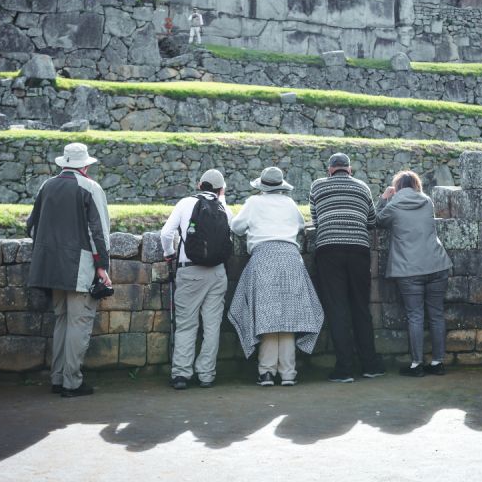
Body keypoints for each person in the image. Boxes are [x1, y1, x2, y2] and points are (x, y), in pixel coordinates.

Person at [26, 142, 111, 398]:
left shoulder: (47, 186)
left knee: (61, 320)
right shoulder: (90, 188)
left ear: (64, 163)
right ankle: (71, 382)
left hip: (49, 267)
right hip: (79, 267)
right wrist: (103, 267)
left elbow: (32, 227)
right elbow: (99, 233)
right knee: (79, 323)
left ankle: (57, 377)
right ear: (85, 165)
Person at [228, 167, 324, 386]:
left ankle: (266, 372)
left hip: (264, 258)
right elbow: (301, 225)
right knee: (288, 318)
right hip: (291, 259)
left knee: (267, 316)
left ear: (261, 185)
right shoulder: (289, 203)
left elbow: (236, 227)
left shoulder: (254, 203)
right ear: (281, 186)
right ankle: (288, 373)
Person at [309, 152, 384, 383]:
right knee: (361, 307)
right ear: (349, 170)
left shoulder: (318, 187)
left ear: (330, 169)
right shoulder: (362, 188)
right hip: (359, 250)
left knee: (337, 308)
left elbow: (315, 220)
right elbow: (372, 221)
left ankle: (344, 369)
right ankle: (370, 365)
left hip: (329, 250)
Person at [375, 170, 452, 377]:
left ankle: (416, 365)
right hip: (437, 264)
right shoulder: (427, 201)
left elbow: (377, 220)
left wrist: (384, 198)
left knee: (415, 316)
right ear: (416, 184)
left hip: (409, 269)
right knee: (436, 315)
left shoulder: (394, 204)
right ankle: (438, 363)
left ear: (397, 187)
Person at [160, 169, 231, 390]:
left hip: (189, 270)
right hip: (217, 273)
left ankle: (181, 374)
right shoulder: (225, 208)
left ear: (200, 185)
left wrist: (169, 253)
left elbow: (166, 233)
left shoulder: (185, 203)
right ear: (220, 190)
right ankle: (206, 375)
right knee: (212, 326)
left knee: (186, 325)